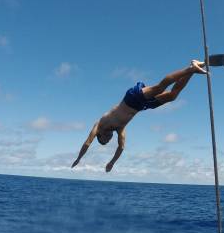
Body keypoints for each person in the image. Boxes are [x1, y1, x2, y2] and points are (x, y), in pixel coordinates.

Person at [71, 60, 207, 172]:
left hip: (132, 98)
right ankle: (193, 69)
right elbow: (121, 147)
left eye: (105, 140)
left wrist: (78, 159)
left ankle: (189, 68)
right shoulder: (119, 130)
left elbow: (87, 143)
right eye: (108, 141)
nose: (109, 139)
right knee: (172, 96)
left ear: (100, 135)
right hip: (141, 106)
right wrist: (112, 162)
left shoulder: (100, 124)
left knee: (159, 88)